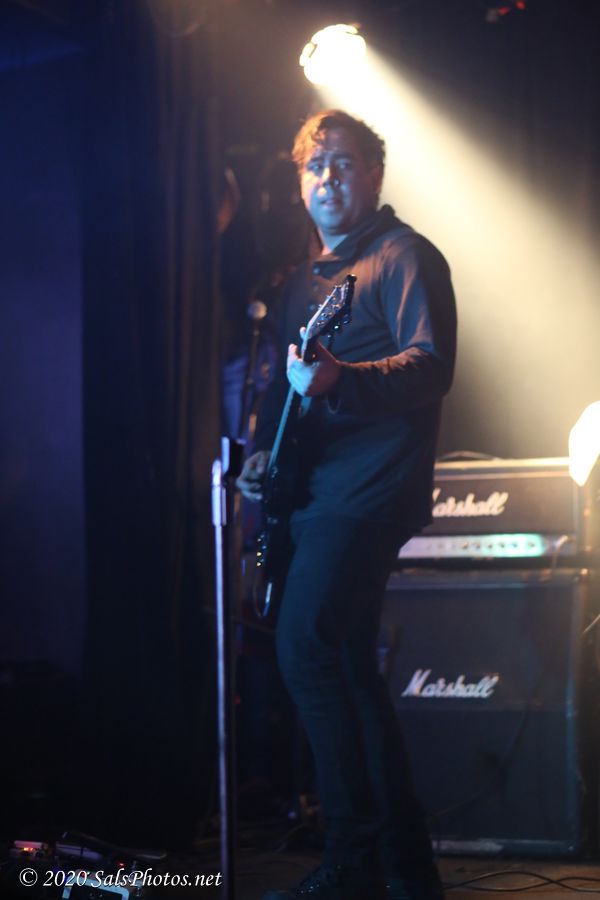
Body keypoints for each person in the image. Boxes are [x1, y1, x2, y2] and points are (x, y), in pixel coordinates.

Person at [237, 109, 457, 900]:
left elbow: (431, 365)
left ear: (374, 175)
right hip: (319, 490)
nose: (327, 178)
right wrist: (269, 454)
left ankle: (351, 857)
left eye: (342, 163)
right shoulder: (304, 281)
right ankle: (406, 868)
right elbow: (294, 390)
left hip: (369, 490)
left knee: (305, 648)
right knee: (349, 669)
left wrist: (343, 380)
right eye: (314, 166)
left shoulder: (403, 256)